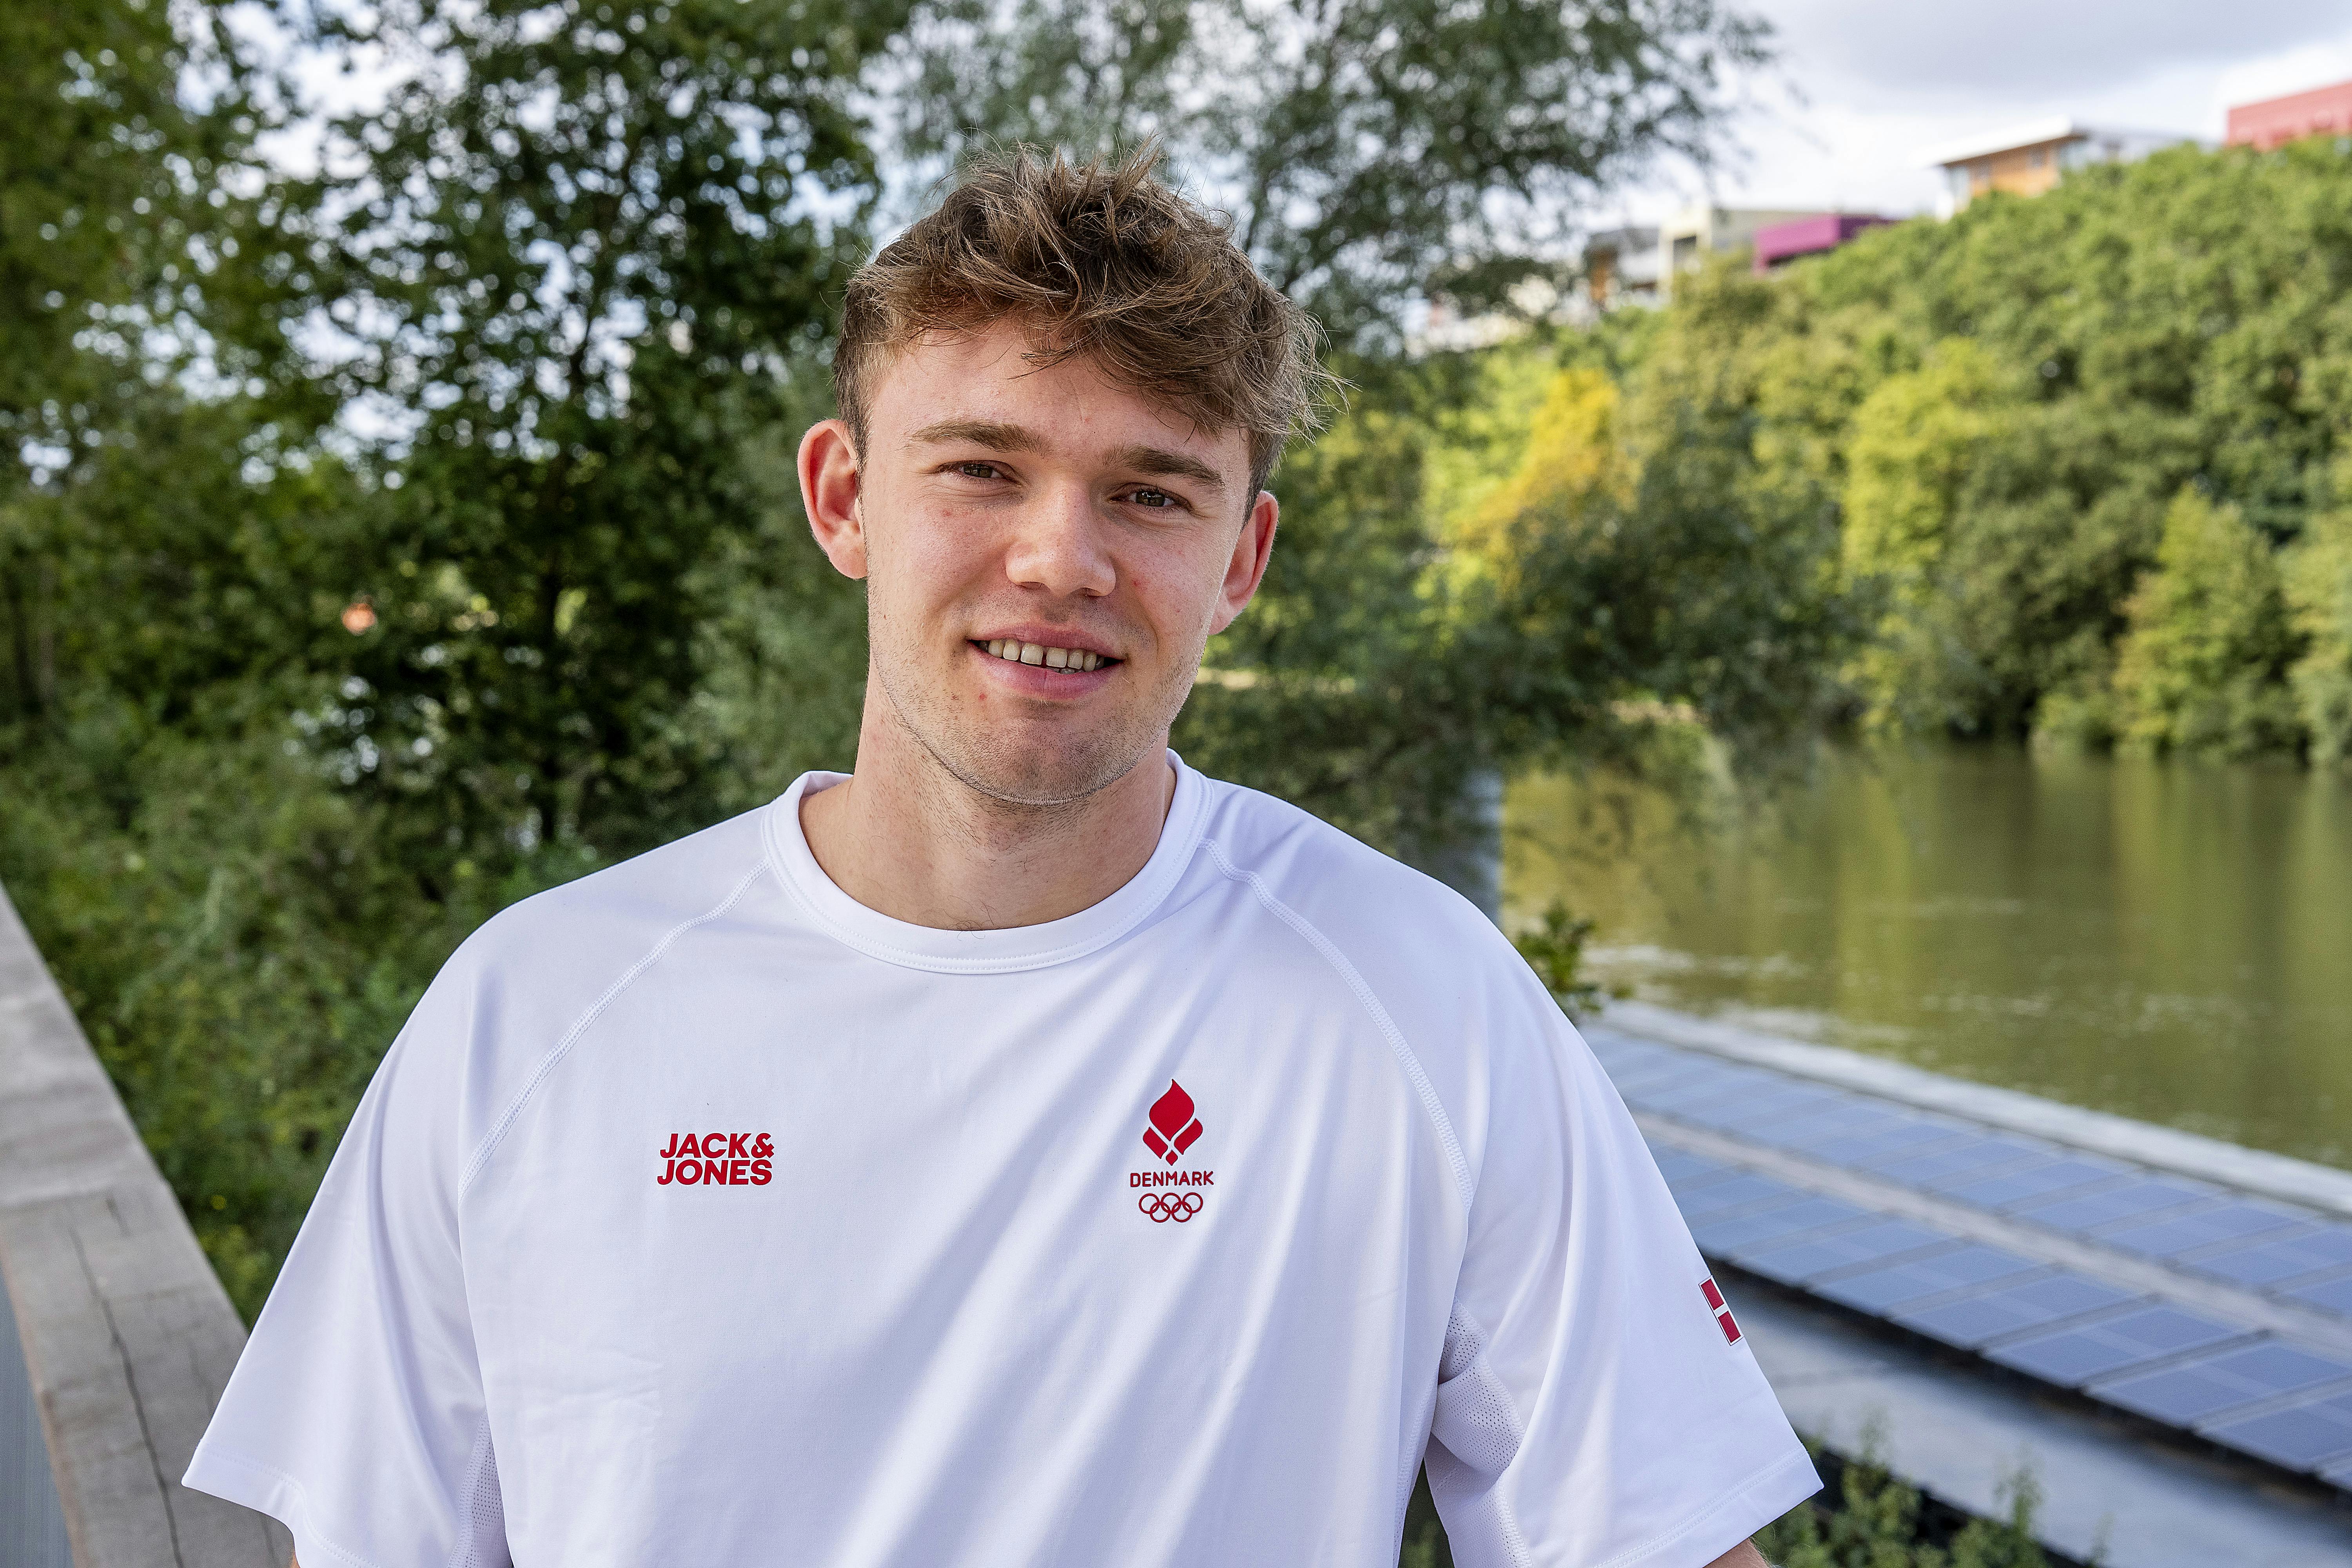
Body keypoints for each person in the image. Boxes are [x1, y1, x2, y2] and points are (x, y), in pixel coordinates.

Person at [185, 147, 1815, 1567]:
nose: (1062, 558)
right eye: (979, 468)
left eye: (1152, 493)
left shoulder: (1425, 1002)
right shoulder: (532, 1016)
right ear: (845, 500)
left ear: (1241, 558)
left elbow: (1658, 1539)